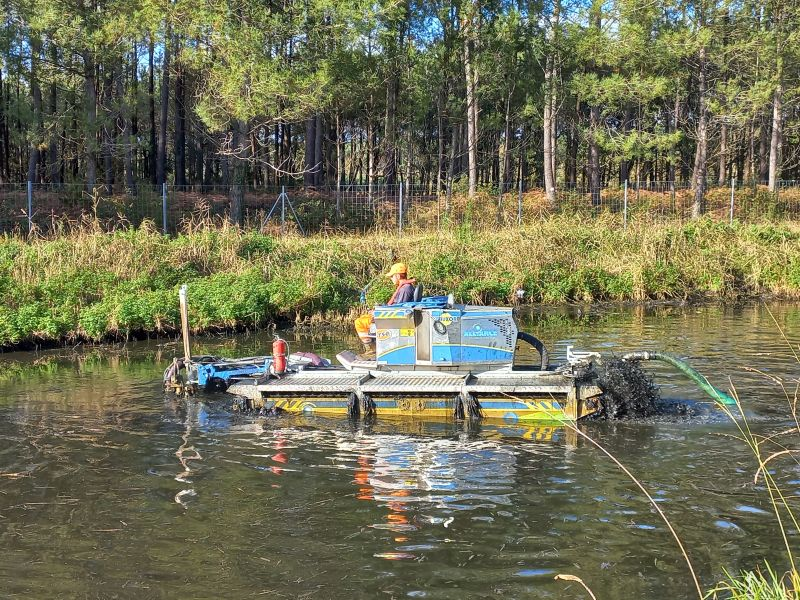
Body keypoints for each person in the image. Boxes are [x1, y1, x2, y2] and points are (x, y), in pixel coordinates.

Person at [354, 263, 417, 356]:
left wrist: (378, 313)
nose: (391, 278)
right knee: (365, 317)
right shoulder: (406, 287)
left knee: (359, 322)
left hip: (395, 321)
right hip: (394, 316)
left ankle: (372, 351)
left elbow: (398, 310)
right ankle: (374, 350)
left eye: (392, 276)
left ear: (398, 276)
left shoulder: (405, 289)